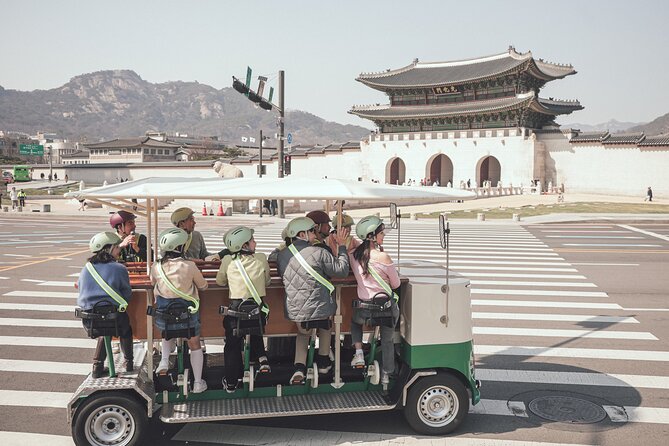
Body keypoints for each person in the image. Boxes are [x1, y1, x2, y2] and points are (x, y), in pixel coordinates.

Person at [276, 217, 350, 385]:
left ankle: (299, 368)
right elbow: (342, 271)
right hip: (322, 307)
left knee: (303, 334)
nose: (314, 234)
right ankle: (323, 361)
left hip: (296, 308)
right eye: (311, 231)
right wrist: (342, 246)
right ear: (302, 234)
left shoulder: (282, 256)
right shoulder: (319, 252)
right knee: (326, 325)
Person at [151, 227, 209, 393]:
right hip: (187, 317)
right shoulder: (189, 265)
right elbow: (203, 286)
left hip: (165, 319)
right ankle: (197, 382)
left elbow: (152, 282)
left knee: (168, 331)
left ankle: (164, 359)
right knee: (194, 343)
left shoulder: (156, 267)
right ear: (180, 248)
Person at [216, 226, 271, 392]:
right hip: (257, 314)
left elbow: (220, 282)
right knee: (254, 329)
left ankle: (232, 382)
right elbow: (267, 281)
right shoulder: (261, 258)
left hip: (236, 313)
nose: (255, 242)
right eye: (253, 240)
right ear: (245, 245)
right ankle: (261, 358)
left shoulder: (227, 261)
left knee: (232, 345)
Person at [349, 216, 400, 385]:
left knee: (354, 321)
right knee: (387, 339)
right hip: (384, 309)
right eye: (381, 232)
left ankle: (359, 354)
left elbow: (355, 246)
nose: (383, 235)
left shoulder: (353, 256)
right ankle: (387, 373)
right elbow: (396, 284)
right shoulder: (384, 257)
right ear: (372, 236)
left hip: (364, 310)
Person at [77, 232, 134, 378]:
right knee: (125, 330)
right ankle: (128, 362)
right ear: (109, 249)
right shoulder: (119, 268)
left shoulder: (86, 268)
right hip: (114, 318)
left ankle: (97, 365)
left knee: (104, 329)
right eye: (117, 248)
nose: (119, 250)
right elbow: (127, 295)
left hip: (89, 320)